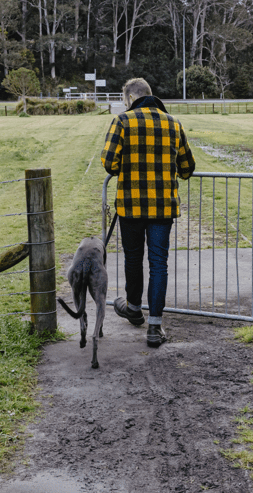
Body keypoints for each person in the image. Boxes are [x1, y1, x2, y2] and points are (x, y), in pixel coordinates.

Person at [101, 78, 195, 348]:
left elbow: (109, 162)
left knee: (133, 258)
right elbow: (187, 168)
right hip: (162, 207)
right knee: (158, 263)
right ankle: (154, 327)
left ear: (130, 98)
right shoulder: (173, 123)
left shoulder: (123, 121)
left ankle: (132, 307)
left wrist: (129, 166)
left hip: (130, 205)